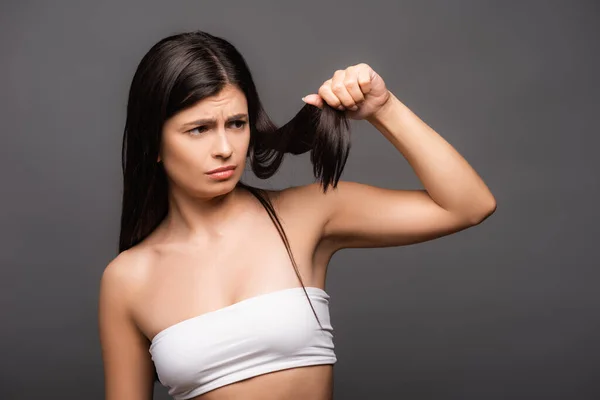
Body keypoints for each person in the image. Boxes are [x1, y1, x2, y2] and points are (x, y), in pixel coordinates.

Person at [98, 30, 496, 400]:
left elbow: (468, 205)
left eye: (237, 123)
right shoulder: (128, 279)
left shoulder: (306, 215)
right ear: (154, 143)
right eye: (199, 129)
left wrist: (383, 108)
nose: (224, 148)